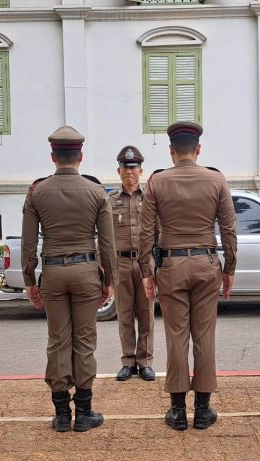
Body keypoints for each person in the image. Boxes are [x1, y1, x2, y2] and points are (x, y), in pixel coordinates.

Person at [138, 121, 237, 431]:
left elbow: (145, 232)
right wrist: (229, 268)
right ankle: (203, 410)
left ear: (171, 150)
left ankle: (178, 410)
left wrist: (146, 271)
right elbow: (229, 229)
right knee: (204, 336)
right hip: (206, 263)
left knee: (176, 336)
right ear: (198, 149)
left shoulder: (157, 182)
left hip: (172, 265)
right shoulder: (216, 180)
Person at [21, 126, 116, 432]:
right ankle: (84, 411)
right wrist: (109, 279)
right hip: (86, 270)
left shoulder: (37, 192)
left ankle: (62, 414)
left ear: (53, 156)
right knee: (84, 340)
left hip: (52, 272)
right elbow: (107, 244)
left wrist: (30, 280)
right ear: (80, 156)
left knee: (58, 340)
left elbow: (28, 243)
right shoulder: (96, 192)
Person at [109, 145, 156, 382]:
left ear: (141, 170)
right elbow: (104, 237)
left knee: (146, 315)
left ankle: (145, 361)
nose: (129, 172)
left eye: (133, 167)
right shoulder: (110, 201)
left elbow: (159, 232)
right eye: (125, 167)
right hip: (121, 263)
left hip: (145, 263)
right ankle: (128, 361)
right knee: (125, 315)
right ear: (119, 171)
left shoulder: (150, 199)